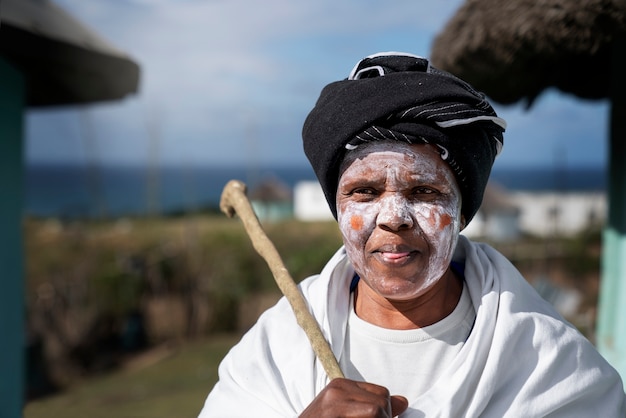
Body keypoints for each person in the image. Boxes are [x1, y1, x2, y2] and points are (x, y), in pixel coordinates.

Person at [199, 52, 626, 417]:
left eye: (424, 190)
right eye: (364, 191)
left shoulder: (550, 365)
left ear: (462, 212)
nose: (394, 217)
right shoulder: (275, 350)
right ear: (338, 209)